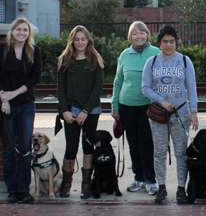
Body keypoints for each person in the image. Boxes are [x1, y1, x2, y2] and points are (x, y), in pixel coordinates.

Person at [142, 25, 198, 204]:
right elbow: (145, 88)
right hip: (159, 115)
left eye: (172, 42)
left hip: (180, 114)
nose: (168, 45)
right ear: (159, 43)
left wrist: (194, 112)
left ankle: (181, 187)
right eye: (165, 41)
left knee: (181, 153)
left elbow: (192, 88)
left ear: (176, 43)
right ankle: (162, 187)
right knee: (159, 152)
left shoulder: (184, 61)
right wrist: (161, 100)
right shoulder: (151, 62)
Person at [0, 18, 42, 203]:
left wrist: (14, 94)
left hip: (26, 104)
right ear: (12, 31)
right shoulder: (1, 50)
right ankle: (12, 190)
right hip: (5, 106)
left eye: (25, 30)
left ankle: (24, 189)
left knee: (26, 149)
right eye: (18, 29)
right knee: (9, 149)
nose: (22, 33)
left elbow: (34, 78)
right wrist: (4, 99)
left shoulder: (35, 51)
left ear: (29, 33)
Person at [112, 21, 160, 195]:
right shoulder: (124, 55)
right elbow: (118, 82)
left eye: (142, 33)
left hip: (149, 106)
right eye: (134, 34)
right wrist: (115, 106)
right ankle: (138, 178)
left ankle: (150, 180)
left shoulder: (156, 53)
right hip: (127, 106)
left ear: (147, 34)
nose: (138, 36)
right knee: (133, 144)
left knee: (147, 143)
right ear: (130, 37)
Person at [57, 25, 104, 199]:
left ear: (88, 40)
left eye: (83, 39)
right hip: (71, 110)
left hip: (91, 110)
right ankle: (67, 183)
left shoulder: (95, 59)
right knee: (71, 147)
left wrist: (86, 110)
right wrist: (64, 111)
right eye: (76, 39)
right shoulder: (64, 60)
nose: (80, 42)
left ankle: (86, 183)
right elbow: (60, 89)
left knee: (87, 145)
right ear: (72, 41)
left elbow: (98, 87)